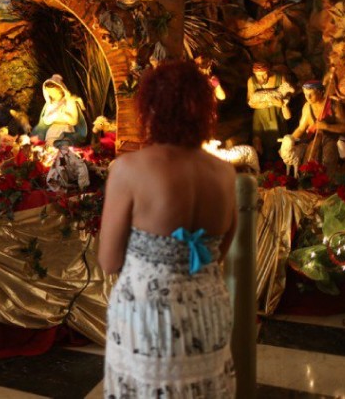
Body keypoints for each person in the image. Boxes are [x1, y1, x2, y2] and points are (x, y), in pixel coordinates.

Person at [99, 60, 237, 397]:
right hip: (208, 310)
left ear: (151, 109)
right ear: (203, 110)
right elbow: (219, 252)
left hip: (150, 316)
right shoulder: (224, 173)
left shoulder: (129, 169)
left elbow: (109, 261)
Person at [290, 80, 345, 174]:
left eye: (311, 94)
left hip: (333, 138)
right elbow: (301, 128)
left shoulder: (333, 105)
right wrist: (290, 140)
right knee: (310, 157)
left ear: (320, 92)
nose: (308, 97)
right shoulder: (307, 107)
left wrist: (327, 126)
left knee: (328, 157)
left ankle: (330, 177)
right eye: (305, 94)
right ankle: (307, 178)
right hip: (316, 138)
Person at [247, 61, 293, 163]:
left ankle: (281, 164)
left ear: (269, 71)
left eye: (264, 74)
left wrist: (281, 104)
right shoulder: (251, 81)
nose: (261, 78)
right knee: (259, 142)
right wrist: (271, 102)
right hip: (261, 116)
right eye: (258, 75)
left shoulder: (280, 78)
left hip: (277, 114)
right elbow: (251, 103)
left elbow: (286, 99)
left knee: (280, 141)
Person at [31, 74, 87, 146]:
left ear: (61, 89)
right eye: (50, 92)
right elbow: (46, 120)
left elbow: (74, 121)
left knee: (64, 146)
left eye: (54, 92)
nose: (52, 94)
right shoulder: (50, 104)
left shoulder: (70, 102)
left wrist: (64, 114)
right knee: (51, 147)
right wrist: (55, 113)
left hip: (66, 129)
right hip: (53, 131)